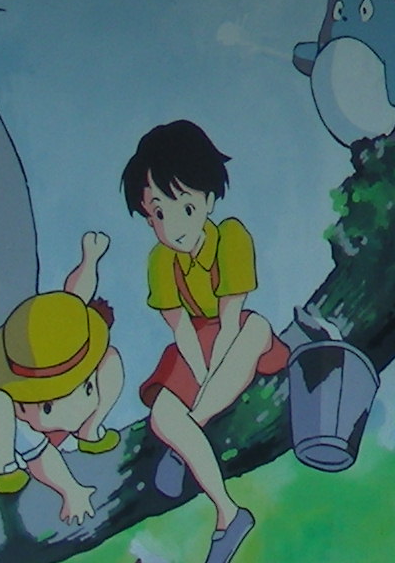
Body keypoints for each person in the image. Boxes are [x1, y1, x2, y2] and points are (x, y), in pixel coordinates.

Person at [122, 121, 287, 563]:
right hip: (194, 347)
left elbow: (231, 318)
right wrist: (200, 374)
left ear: (209, 200)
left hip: (236, 337)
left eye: (186, 207)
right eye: (159, 214)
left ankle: (189, 435)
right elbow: (180, 329)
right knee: (162, 411)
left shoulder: (231, 236)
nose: (173, 225)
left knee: (256, 330)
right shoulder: (160, 261)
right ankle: (228, 514)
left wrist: (208, 386)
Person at [0, 230, 126, 524]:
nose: (76, 409)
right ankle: (5, 470)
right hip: (7, 440)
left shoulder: (73, 351)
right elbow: (41, 456)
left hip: (46, 428)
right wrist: (71, 490)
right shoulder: (14, 414)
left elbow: (75, 299)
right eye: (49, 405)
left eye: (88, 388)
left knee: (110, 357)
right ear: (25, 404)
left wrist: (90, 260)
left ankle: (91, 430)